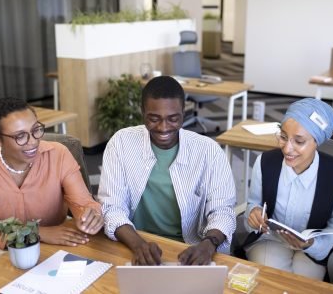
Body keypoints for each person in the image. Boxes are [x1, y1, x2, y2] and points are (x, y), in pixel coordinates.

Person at [98, 75, 236, 265]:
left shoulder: (209, 151)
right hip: (133, 241)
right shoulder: (121, 143)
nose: (163, 128)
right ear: (142, 113)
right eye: (154, 118)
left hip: (191, 248)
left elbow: (222, 211)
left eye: (173, 119)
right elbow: (111, 207)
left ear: (183, 113)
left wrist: (208, 244)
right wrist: (138, 244)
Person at [0, 97, 104, 271]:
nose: (32, 141)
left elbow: (83, 203)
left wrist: (89, 216)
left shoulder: (58, 154)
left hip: (56, 234)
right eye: (20, 136)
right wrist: (37, 233)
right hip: (5, 243)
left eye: (36, 130)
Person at [243, 98, 333, 280]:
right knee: (272, 282)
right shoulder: (264, 163)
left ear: (317, 142)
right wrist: (253, 213)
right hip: (271, 240)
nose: (287, 148)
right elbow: (253, 203)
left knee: (302, 285)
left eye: (299, 141)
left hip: (313, 249)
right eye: (283, 137)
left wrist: (312, 244)